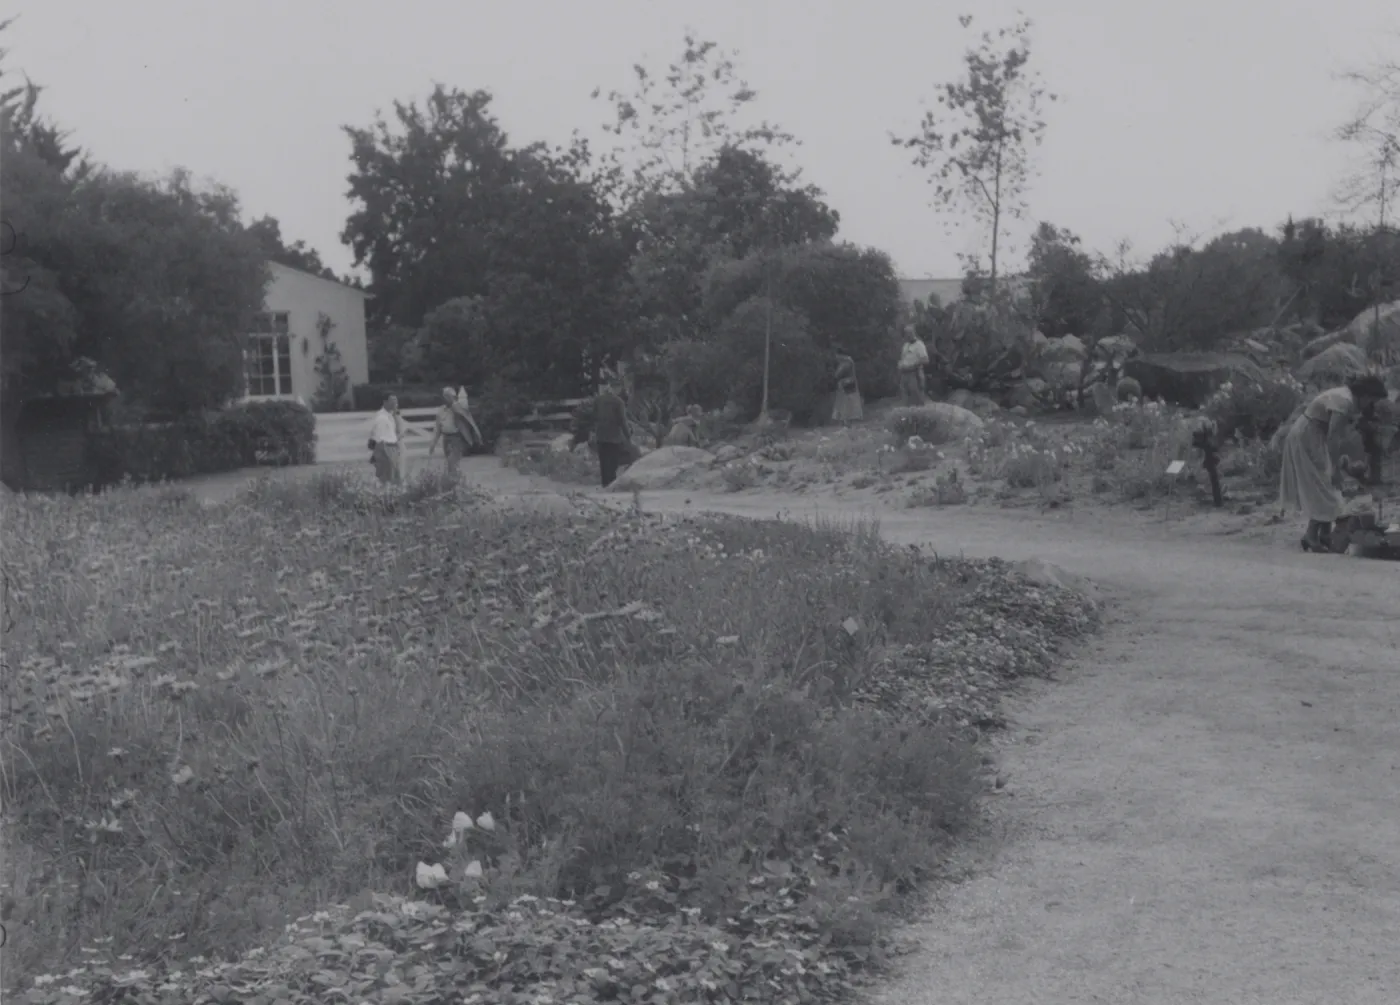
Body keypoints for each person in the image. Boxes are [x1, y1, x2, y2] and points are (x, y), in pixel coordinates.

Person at [1279, 374, 1389, 551]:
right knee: (1324, 484)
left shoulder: (1349, 401)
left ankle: (1324, 535)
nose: (1372, 406)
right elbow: (1333, 437)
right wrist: (1336, 469)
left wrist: (1341, 461)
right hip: (1307, 436)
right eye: (1372, 401)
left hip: (1315, 436)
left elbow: (1338, 436)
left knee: (1326, 484)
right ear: (1366, 395)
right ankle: (1311, 536)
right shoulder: (1343, 401)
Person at [428, 386, 483, 476]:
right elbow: (438, 428)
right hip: (446, 438)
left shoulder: (459, 408)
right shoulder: (441, 410)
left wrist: (476, 437)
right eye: (444, 396)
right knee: (450, 463)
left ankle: (453, 480)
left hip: (456, 438)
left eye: (447, 397)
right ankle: (454, 481)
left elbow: (468, 420)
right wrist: (433, 444)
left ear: (452, 397)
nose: (445, 399)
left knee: (452, 462)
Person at [591, 377, 632, 488]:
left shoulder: (598, 400)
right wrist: (628, 435)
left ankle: (605, 483)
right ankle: (611, 483)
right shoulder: (619, 402)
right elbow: (622, 421)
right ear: (617, 388)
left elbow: (593, 416)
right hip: (614, 436)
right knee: (613, 461)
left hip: (600, 434)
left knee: (603, 460)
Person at [368, 395, 402, 484]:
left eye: (396, 401)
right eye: (392, 401)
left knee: (394, 476)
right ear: (385, 402)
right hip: (385, 448)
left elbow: (398, 431)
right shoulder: (381, 417)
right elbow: (379, 437)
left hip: (392, 448)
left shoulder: (390, 415)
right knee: (386, 476)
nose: (395, 403)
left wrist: (396, 414)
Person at [897, 326, 929, 407]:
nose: (906, 336)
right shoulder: (905, 345)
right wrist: (900, 365)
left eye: (908, 333)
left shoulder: (919, 344)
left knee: (917, 399)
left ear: (912, 333)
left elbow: (925, 359)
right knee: (905, 399)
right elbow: (903, 358)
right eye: (905, 334)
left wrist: (913, 365)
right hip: (904, 375)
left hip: (914, 374)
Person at [831, 347, 863, 425]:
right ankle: (845, 420)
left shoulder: (846, 363)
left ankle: (846, 420)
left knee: (846, 403)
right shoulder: (848, 361)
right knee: (846, 402)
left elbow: (838, 374)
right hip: (848, 384)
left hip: (846, 384)